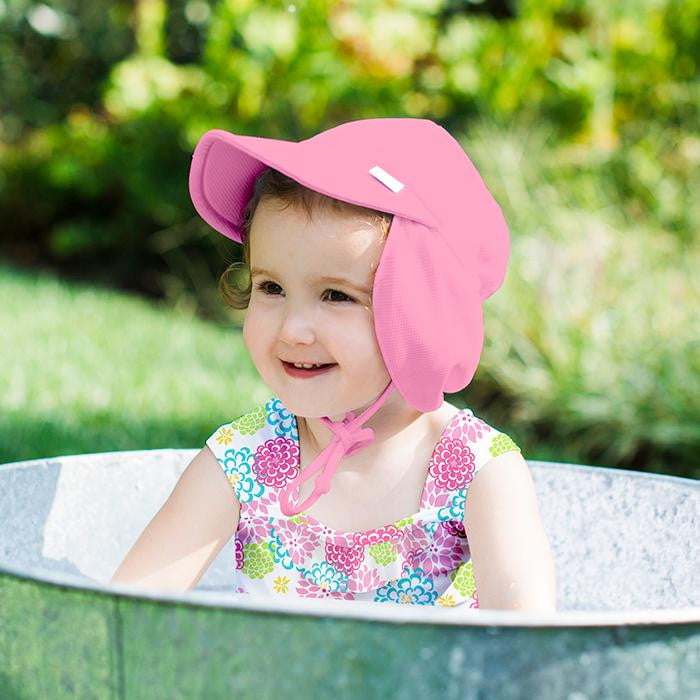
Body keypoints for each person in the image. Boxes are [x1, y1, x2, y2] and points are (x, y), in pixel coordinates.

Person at [110, 118, 557, 611]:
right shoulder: (245, 461)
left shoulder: (477, 472)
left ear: (424, 315)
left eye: (336, 295)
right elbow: (125, 613)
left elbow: (526, 648)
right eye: (271, 288)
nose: (293, 330)